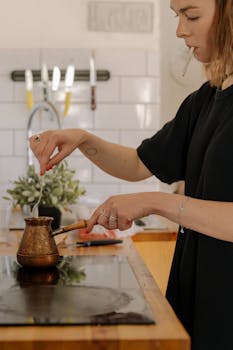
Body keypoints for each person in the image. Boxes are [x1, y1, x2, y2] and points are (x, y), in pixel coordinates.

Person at [30, 1, 233, 348]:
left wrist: (155, 203)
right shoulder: (206, 99)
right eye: (177, 16)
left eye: (192, 15)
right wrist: (83, 139)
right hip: (198, 299)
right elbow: (139, 164)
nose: (180, 30)